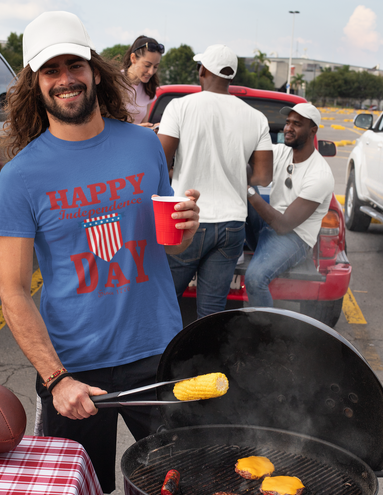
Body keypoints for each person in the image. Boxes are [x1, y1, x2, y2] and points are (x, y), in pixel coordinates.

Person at [0, 11, 200, 493]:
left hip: (158, 352)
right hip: (75, 368)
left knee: (181, 489)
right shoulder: (20, 177)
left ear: (94, 70)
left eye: (74, 65)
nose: (65, 80)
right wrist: (55, 378)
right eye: (51, 70)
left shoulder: (144, 148)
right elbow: (13, 292)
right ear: (35, 84)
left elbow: (169, 242)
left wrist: (186, 229)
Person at [158, 44, 273, 319]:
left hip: (189, 220)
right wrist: (232, 170)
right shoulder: (256, 118)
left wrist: (176, 173)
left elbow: (159, 162)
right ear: (230, 77)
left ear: (204, 71)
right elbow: (263, 176)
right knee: (211, 312)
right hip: (233, 225)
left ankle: (159, 359)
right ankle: (205, 361)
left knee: (163, 300)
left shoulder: (180, 107)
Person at [244, 103, 335, 307]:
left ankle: (263, 334)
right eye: (287, 123)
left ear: (313, 131)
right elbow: (248, 158)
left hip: (294, 237)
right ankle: (222, 247)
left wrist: (247, 189)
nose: (288, 128)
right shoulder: (280, 152)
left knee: (255, 279)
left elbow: (284, 225)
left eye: (297, 124)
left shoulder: (319, 175)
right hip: (268, 227)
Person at [122, 35, 164, 126]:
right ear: (133, 58)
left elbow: (143, 125)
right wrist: (137, 128)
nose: (151, 72)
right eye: (147, 65)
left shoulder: (149, 88)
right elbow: (105, 124)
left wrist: (152, 128)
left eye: (156, 67)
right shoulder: (114, 82)